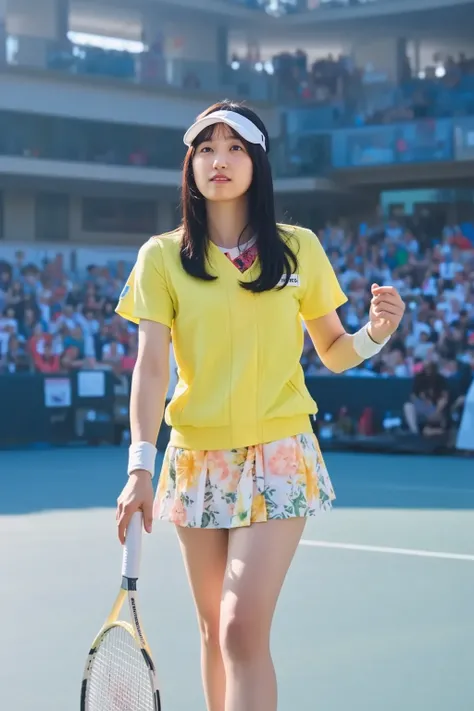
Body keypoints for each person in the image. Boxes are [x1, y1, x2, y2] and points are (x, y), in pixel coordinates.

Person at [114, 100, 405, 711]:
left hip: (280, 453)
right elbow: (151, 367)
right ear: (191, 165)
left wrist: (376, 333)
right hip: (196, 462)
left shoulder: (299, 248)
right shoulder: (160, 257)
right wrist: (141, 466)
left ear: (258, 162)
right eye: (206, 149)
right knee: (214, 631)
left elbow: (332, 349)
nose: (219, 161)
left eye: (235, 148)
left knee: (241, 626)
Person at [403, 359, 449, 436]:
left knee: (441, 404)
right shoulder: (419, 377)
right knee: (408, 406)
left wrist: (436, 411)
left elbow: (445, 397)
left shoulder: (440, 378)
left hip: (435, 408)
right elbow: (413, 395)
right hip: (422, 406)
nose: (428, 369)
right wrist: (422, 403)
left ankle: (435, 430)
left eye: (430, 367)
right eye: (426, 367)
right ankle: (415, 432)